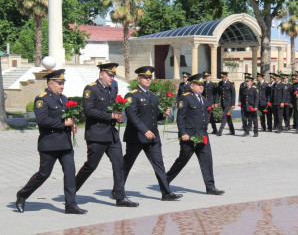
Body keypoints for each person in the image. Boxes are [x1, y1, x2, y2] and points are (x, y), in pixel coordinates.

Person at [16, 69, 86, 214]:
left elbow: (67, 117)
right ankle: (22, 194)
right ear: (50, 83)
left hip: (65, 144)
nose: (62, 86)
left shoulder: (64, 99)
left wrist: (72, 125)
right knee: (44, 174)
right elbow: (43, 121)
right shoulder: (42, 99)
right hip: (50, 144)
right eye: (59, 83)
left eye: (63, 83)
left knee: (70, 173)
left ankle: (71, 205)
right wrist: (63, 124)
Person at [75, 63, 138, 207]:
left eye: (113, 75)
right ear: (101, 75)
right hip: (97, 134)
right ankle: (72, 189)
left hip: (111, 134)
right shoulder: (91, 89)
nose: (112, 78)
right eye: (109, 75)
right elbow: (88, 111)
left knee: (119, 164)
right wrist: (110, 116)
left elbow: (114, 106)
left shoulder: (114, 87)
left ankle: (120, 196)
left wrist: (119, 116)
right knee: (91, 165)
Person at [122, 66, 182, 201]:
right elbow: (132, 116)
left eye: (150, 78)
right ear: (139, 78)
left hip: (153, 138)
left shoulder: (153, 96)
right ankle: (117, 190)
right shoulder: (132, 95)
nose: (148, 80)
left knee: (159, 164)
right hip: (136, 137)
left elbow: (153, 116)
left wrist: (162, 115)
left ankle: (166, 192)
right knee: (127, 164)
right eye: (145, 77)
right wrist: (145, 130)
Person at [166, 73, 225, 195]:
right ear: (192, 86)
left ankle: (210, 187)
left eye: (202, 85)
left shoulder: (203, 100)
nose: (201, 87)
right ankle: (165, 180)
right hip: (189, 136)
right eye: (198, 85)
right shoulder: (185, 98)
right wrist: (183, 133)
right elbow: (180, 118)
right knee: (182, 160)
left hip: (202, 136)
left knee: (207, 160)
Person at [217, 72, 236, 136]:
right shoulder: (220, 83)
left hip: (229, 102)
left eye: (223, 77)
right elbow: (218, 94)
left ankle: (220, 131)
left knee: (224, 115)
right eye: (221, 77)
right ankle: (232, 131)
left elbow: (233, 94)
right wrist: (216, 102)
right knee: (228, 117)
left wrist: (233, 104)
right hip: (223, 102)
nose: (222, 78)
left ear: (227, 76)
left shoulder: (231, 83)